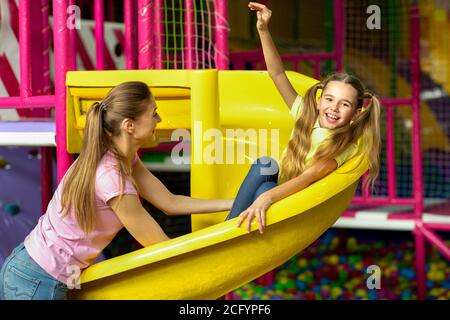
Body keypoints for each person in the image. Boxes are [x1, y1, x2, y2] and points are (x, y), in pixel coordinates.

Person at [0, 81, 234, 300]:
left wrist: (230, 203)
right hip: (38, 279)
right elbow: (158, 244)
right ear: (129, 125)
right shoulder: (111, 177)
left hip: (37, 270)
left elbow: (170, 203)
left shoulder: (124, 158)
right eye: (153, 113)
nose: (159, 119)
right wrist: (211, 267)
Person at [226, 2, 381, 234]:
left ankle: (232, 233)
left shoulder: (344, 146)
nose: (334, 108)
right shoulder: (306, 116)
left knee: (263, 190)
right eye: (329, 99)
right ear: (318, 101)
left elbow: (307, 178)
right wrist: (263, 30)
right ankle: (229, 226)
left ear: (356, 113)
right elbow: (277, 74)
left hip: (295, 205)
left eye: (344, 104)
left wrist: (266, 197)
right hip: (276, 190)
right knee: (265, 165)